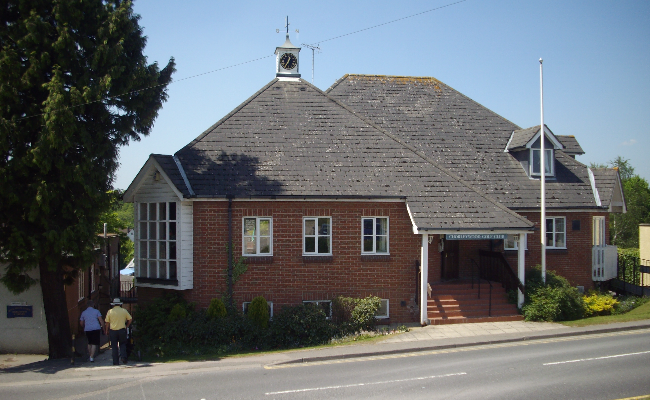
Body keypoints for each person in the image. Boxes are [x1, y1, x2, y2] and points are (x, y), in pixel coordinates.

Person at [104, 298, 132, 365]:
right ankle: (123, 357)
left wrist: (106, 330)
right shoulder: (124, 311)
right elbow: (130, 319)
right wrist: (127, 326)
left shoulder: (110, 311)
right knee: (122, 344)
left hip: (113, 331)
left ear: (113, 305)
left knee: (114, 346)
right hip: (122, 330)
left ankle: (115, 361)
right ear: (120, 304)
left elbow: (107, 322)